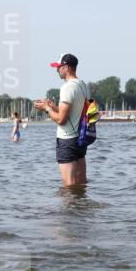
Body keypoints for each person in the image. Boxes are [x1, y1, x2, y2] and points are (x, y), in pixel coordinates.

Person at [34, 53, 90, 186]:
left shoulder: (67, 87)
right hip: (81, 139)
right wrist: (52, 106)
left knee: (69, 184)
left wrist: (47, 109)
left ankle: (70, 207)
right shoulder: (83, 86)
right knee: (81, 182)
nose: (57, 70)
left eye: (59, 67)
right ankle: (81, 205)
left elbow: (61, 120)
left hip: (67, 140)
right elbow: (75, 112)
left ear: (67, 67)